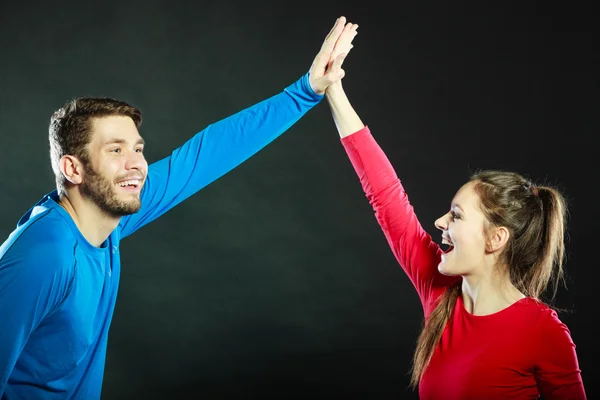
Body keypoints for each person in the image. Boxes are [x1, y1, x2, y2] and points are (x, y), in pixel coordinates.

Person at [0, 16, 358, 400]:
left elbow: (204, 155)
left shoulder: (107, 217)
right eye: (115, 150)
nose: (136, 163)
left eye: (137, 148)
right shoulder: (44, 257)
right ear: (73, 168)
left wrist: (305, 91)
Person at [324, 22, 586, 399]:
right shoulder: (439, 291)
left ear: (496, 238)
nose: (440, 222)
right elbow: (386, 196)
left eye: (457, 215)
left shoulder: (543, 330)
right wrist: (333, 88)